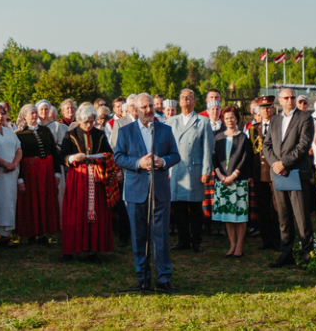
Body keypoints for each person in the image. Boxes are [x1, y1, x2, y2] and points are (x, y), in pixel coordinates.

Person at [113, 92, 181, 292]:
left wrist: (163, 162)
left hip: (159, 191)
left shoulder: (165, 130)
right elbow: (118, 157)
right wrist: (137, 163)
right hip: (136, 191)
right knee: (139, 237)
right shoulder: (125, 132)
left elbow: (175, 155)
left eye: (151, 106)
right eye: (144, 107)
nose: (149, 110)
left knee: (161, 237)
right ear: (135, 109)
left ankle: (163, 280)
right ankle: (142, 279)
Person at [263, 86, 315, 268]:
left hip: (296, 173)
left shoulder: (305, 118)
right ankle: (286, 254)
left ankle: (307, 255)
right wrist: (275, 164)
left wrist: (284, 163)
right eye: (286, 98)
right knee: (283, 216)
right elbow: (266, 144)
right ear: (280, 100)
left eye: (292, 97)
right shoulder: (275, 120)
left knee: (301, 217)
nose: (290, 100)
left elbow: (303, 145)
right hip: (278, 174)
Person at [59, 103, 115, 260]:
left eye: (91, 121)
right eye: (86, 122)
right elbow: (61, 155)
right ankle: (71, 249)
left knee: (96, 212)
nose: (89, 125)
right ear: (80, 120)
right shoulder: (71, 134)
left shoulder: (100, 134)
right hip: (78, 177)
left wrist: (101, 157)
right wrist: (71, 158)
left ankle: (93, 249)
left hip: (96, 177)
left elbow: (109, 153)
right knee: (75, 212)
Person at [166, 89, 213, 254]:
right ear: (179, 101)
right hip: (176, 169)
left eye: (189, 97)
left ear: (194, 101)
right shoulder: (171, 121)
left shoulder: (203, 121)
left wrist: (206, 170)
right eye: (182, 97)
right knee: (178, 207)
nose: (185, 99)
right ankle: (183, 240)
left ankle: (197, 241)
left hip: (195, 170)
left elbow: (208, 149)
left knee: (195, 207)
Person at [15, 104, 61, 244]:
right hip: (29, 171)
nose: (35, 116)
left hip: (46, 169)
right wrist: (20, 178)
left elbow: (53, 151)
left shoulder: (45, 130)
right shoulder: (19, 134)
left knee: (45, 199)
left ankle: (43, 233)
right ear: (25, 116)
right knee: (31, 200)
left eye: (36, 113)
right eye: (32, 113)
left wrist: (57, 172)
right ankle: (31, 233)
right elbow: (18, 157)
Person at [211, 105, 251, 257]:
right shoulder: (218, 137)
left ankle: (240, 246)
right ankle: (232, 245)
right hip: (222, 181)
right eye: (226, 118)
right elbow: (214, 158)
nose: (229, 121)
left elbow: (245, 159)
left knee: (239, 217)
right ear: (223, 119)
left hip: (238, 182)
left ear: (237, 119)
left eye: (232, 118)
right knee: (228, 216)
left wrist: (233, 176)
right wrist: (221, 176)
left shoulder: (243, 138)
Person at [0, 103, 21, 244]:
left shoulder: (9, 131)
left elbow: (19, 149)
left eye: (2, 113)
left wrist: (14, 164)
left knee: (8, 203)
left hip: (11, 174)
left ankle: (6, 236)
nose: (0, 116)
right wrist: (4, 164)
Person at [249, 98, 280, 251]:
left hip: (275, 172)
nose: (266, 111)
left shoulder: (280, 126)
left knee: (277, 208)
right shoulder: (253, 129)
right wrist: (250, 174)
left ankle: (278, 239)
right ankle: (266, 240)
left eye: (269, 108)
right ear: (258, 111)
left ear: (273, 109)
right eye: (263, 108)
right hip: (259, 174)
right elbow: (251, 153)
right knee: (262, 208)